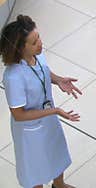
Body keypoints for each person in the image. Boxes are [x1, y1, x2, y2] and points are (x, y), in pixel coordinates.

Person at [0, 15, 81, 188]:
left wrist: (58, 80)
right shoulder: (13, 77)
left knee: (55, 152)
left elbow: (43, 71)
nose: (40, 43)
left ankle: (59, 184)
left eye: (39, 37)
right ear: (21, 48)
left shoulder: (37, 55)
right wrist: (55, 111)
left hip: (48, 119)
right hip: (30, 129)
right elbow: (19, 114)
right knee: (35, 167)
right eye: (34, 41)